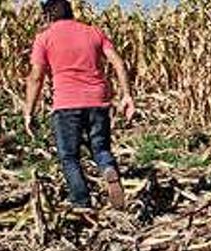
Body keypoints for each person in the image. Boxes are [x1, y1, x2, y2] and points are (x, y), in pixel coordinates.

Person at [22, 0, 135, 210]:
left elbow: (36, 77)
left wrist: (29, 111)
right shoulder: (93, 32)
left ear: (48, 16)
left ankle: (81, 202)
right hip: (98, 101)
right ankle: (108, 169)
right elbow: (118, 62)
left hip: (66, 104)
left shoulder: (44, 38)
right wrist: (127, 95)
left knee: (69, 157)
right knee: (101, 149)